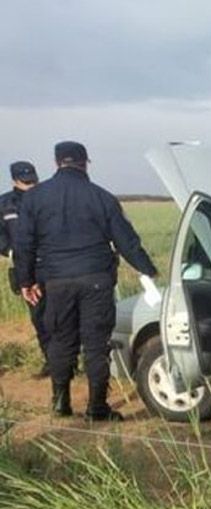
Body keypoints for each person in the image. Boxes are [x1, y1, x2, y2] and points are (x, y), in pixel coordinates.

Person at [13, 141, 159, 421]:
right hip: (96, 281)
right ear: (85, 163)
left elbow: (24, 245)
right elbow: (126, 241)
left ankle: (60, 403)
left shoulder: (34, 198)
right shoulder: (101, 197)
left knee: (60, 341)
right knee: (95, 344)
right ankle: (97, 408)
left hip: (55, 282)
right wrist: (147, 269)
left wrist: (26, 281)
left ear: (56, 163)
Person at [0, 161, 50, 376]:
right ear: (14, 180)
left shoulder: (48, 197)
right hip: (25, 268)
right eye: (25, 180)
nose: (30, 184)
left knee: (61, 315)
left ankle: (68, 361)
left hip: (51, 265)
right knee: (39, 317)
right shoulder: (5, 204)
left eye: (33, 179)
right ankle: (51, 361)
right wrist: (9, 251)